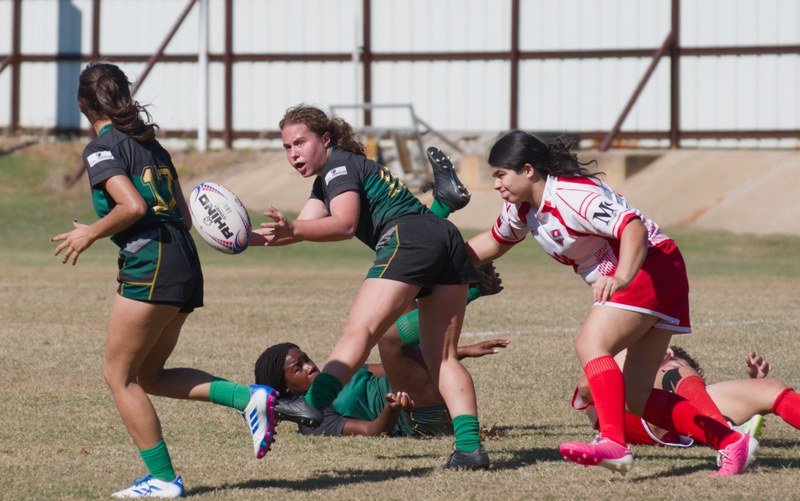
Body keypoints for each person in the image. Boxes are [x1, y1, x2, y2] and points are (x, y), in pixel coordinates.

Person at [464, 130, 756, 477]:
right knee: (637, 396)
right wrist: (438, 259)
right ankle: (730, 442)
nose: (496, 184)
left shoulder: (571, 195)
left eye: (501, 174)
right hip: (656, 270)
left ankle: (613, 444)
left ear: (527, 170)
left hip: (651, 266)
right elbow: (494, 242)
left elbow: (633, 228)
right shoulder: (522, 208)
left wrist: (622, 277)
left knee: (591, 343)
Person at [51, 61, 278, 498]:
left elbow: (133, 206)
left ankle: (162, 479)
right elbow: (186, 217)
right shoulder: (151, 145)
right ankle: (247, 398)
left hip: (151, 262)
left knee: (118, 376)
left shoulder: (101, 149)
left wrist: (90, 233)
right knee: (150, 375)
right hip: (183, 259)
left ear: (82, 104)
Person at [250, 104, 489, 469]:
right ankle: (470, 449)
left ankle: (312, 403)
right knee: (441, 358)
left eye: (300, 143)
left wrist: (294, 228)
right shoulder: (331, 176)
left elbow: (344, 224)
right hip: (444, 236)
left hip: (409, 238)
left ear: (325, 139)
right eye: (287, 147)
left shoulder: (339, 167)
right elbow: (301, 228)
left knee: (360, 330)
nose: (293, 153)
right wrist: (243, 239)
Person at [254, 332, 509, 437]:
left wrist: (462, 351)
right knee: (388, 337)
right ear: (285, 387)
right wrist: (393, 408)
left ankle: (459, 289)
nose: (310, 366)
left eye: (306, 359)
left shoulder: (335, 374)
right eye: (298, 368)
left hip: (437, 390)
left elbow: (397, 366)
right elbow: (372, 431)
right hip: (417, 419)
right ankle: (466, 293)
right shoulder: (313, 418)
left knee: (399, 310)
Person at [573, 349, 800, 447]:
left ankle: (727, 435)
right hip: (652, 403)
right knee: (673, 373)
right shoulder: (609, 400)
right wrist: (638, 354)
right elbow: (586, 385)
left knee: (770, 387)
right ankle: (728, 435)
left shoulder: (689, 391)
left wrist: (753, 385)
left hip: (695, 418)